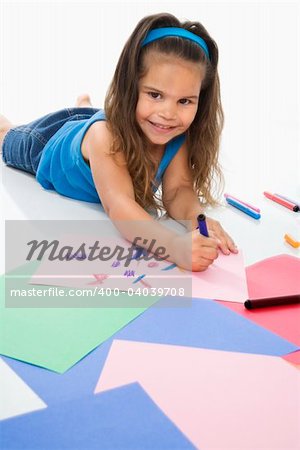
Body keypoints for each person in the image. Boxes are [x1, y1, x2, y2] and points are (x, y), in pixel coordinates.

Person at [1, 12, 238, 271]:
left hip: (97, 125)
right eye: (155, 95)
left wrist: (197, 218)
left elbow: (178, 190)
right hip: (48, 139)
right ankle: (75, 111)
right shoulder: (106, 137)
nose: (169, 114)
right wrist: (176, 248)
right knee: (6, 134)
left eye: (184, 101)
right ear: (130, 87)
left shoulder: (174, 132)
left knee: (95, 119)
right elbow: (119, 205)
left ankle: (85, 107)